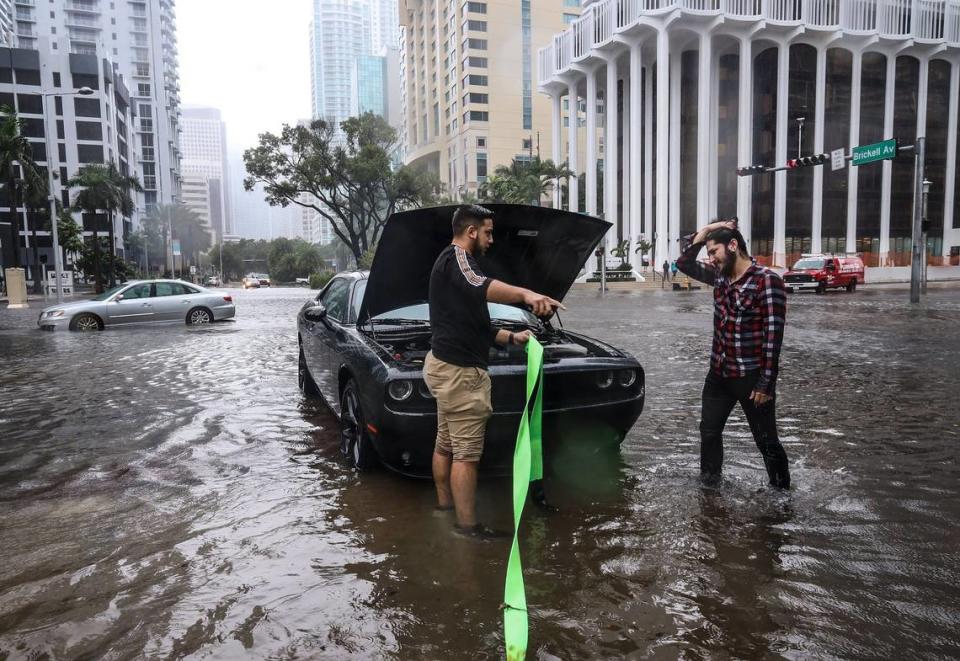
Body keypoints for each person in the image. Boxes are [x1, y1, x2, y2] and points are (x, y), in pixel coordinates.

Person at [424, 205, 564, 538]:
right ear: (471, 231)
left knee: (445, 445)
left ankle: (444, 510)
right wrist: (527, 294)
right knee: (467, 455)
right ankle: (467, 528)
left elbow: (476, 326)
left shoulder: (452, 265)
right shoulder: (459, 259)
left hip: (445, 367)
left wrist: (512, 336)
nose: (492, 239)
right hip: (460, 375)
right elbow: (480, 284)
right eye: (488, 232)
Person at [676, 219, 790, 489]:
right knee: (709, 433)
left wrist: (766, 383)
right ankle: (710, 487)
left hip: (751, 378)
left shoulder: (767, 280)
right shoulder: (720, 277)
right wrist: (704, 234)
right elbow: (684, 263)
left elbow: (774, 336)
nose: (711, 259)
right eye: (709, 254)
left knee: (766, 440)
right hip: (718, 374)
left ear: (733, 246)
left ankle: (781, 494)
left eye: (714, 252)